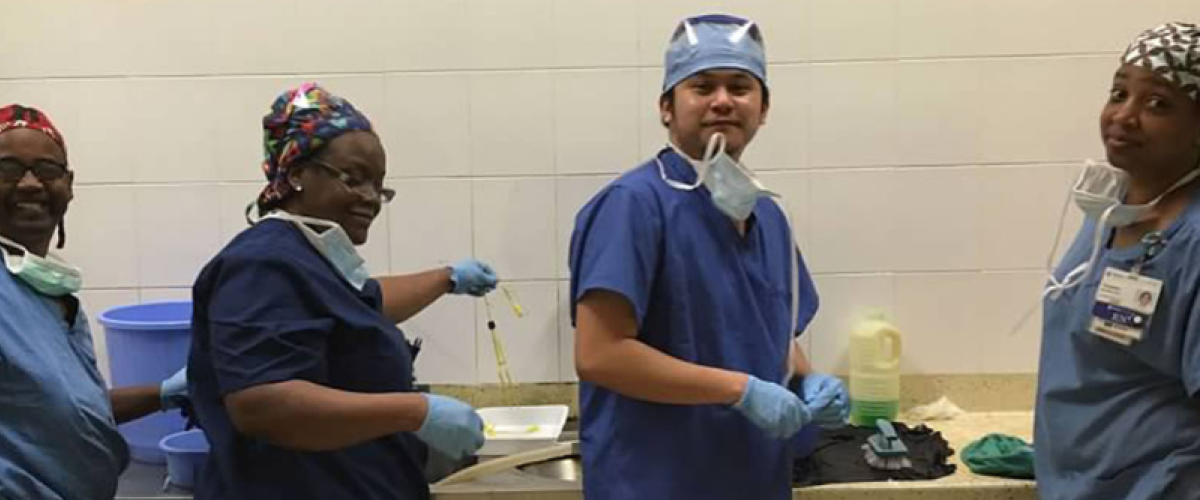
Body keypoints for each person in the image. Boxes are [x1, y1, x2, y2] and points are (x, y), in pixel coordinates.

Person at [568, 14, 848, 500]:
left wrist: (809, 378)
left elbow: (765, 328)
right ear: (666, 108)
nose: (722, 100)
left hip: (753, 477)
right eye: (701, 86)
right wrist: (740, 389)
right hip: (657, 481)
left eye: (740, 87)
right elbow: (600, 354)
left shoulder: (767, 216)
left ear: (763, 109)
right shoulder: (634, 205)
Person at [187, 83, 496, 500]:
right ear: (295, 172)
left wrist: (447, 278)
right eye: (354, 179)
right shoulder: (261, 264)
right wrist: (415, 412)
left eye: (379, 185)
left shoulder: (310, 257)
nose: (371, 198)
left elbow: (363, 305)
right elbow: (260, 404)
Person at [1038, 22, 1200, 499]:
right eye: (1118, 93)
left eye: (1157, 104)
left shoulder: (1191, 240)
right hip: (1078, 482)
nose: (1123, 116)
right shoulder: (1110, 211)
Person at [0, 104, 188, 500]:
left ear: (68, 186)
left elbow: (66, 412)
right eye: (8, 168)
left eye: (48, 170)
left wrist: (165, 393)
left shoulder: (53, 294)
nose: (31, 184)